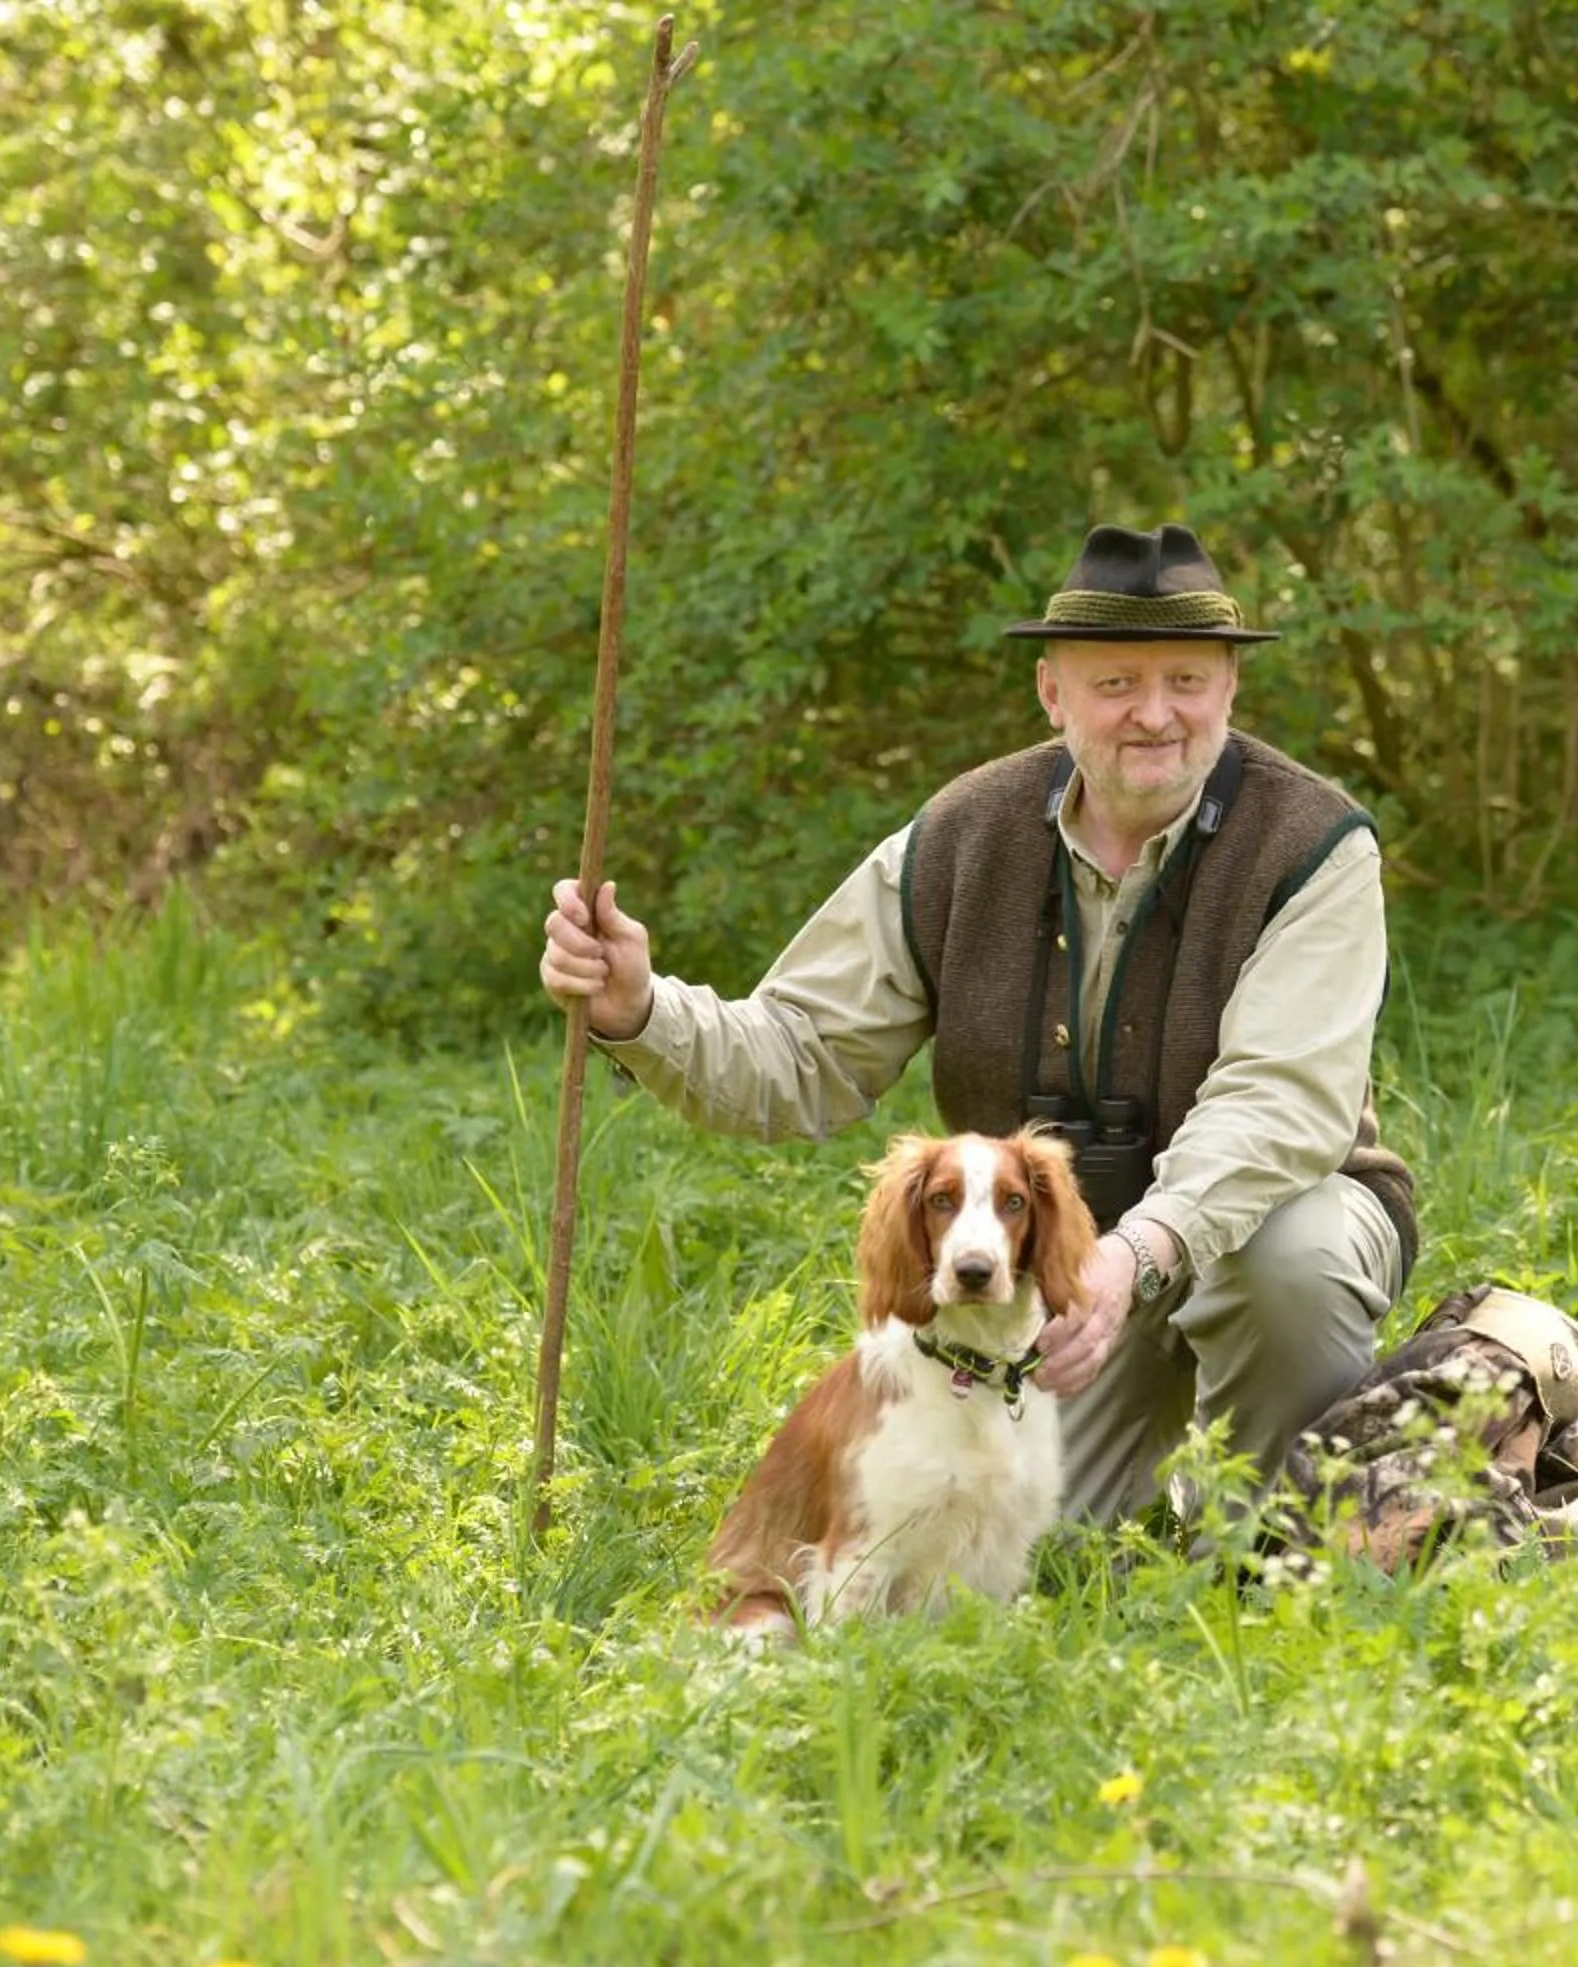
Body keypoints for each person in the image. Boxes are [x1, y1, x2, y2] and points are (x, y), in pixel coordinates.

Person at [538, 522, 1417, 1525]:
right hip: (1049, 1269)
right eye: (1117, 684)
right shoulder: (964, 835)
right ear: (1053, 693)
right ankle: (1159, 1501)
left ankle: (1276, 1542)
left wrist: (1134, 1255)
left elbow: (1278, 1105)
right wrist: (641, 1010)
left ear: (1230, 688)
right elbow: (803, 1053)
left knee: (1292, 1264)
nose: (1156, 714)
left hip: (1264, 1220)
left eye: (1186, 679)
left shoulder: (1314, 845)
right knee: (1055, 1547)